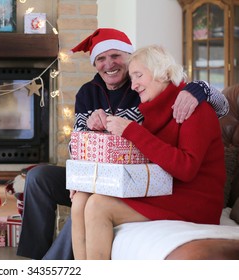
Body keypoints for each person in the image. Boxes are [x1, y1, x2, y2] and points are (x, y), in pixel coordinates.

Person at [16, 28, 229, 260]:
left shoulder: (175, 100)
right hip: (119, 174)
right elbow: (78, 145)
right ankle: (34, 262)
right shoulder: (89, 93)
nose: (109, 64)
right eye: (101, 58)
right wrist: (84, 167)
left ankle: (55, 265)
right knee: (58, 188)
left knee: (95, 204)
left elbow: (216, 106)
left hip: (153, 183)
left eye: (116, 56)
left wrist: (201, 89)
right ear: (94, 63)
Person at [70, 44, 225, 259]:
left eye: (138, 76)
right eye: (131, 78)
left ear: (162, 73)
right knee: (81, 199)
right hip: (163, 188)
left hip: (193, 199)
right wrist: (87, 180)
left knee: (98, 205)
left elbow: (186, 168)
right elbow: (141, 157)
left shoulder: (193, 107)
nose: (133, 86)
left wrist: (132, 132)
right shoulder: (152, 109)